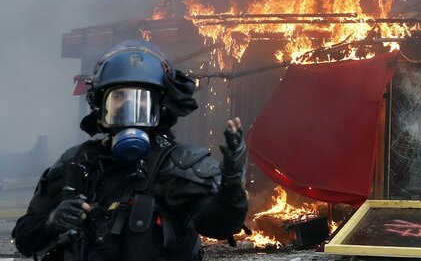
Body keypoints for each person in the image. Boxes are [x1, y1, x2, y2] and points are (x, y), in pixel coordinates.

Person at [12, 40, 249, 261]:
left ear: (160, 107)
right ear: (101, 107)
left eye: (142, 101)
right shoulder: (76, 163)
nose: (130, 109)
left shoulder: (182, 165)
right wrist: (52, 222)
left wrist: (231, 182)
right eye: (119, 99)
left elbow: (220, 226)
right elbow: (24, 239)